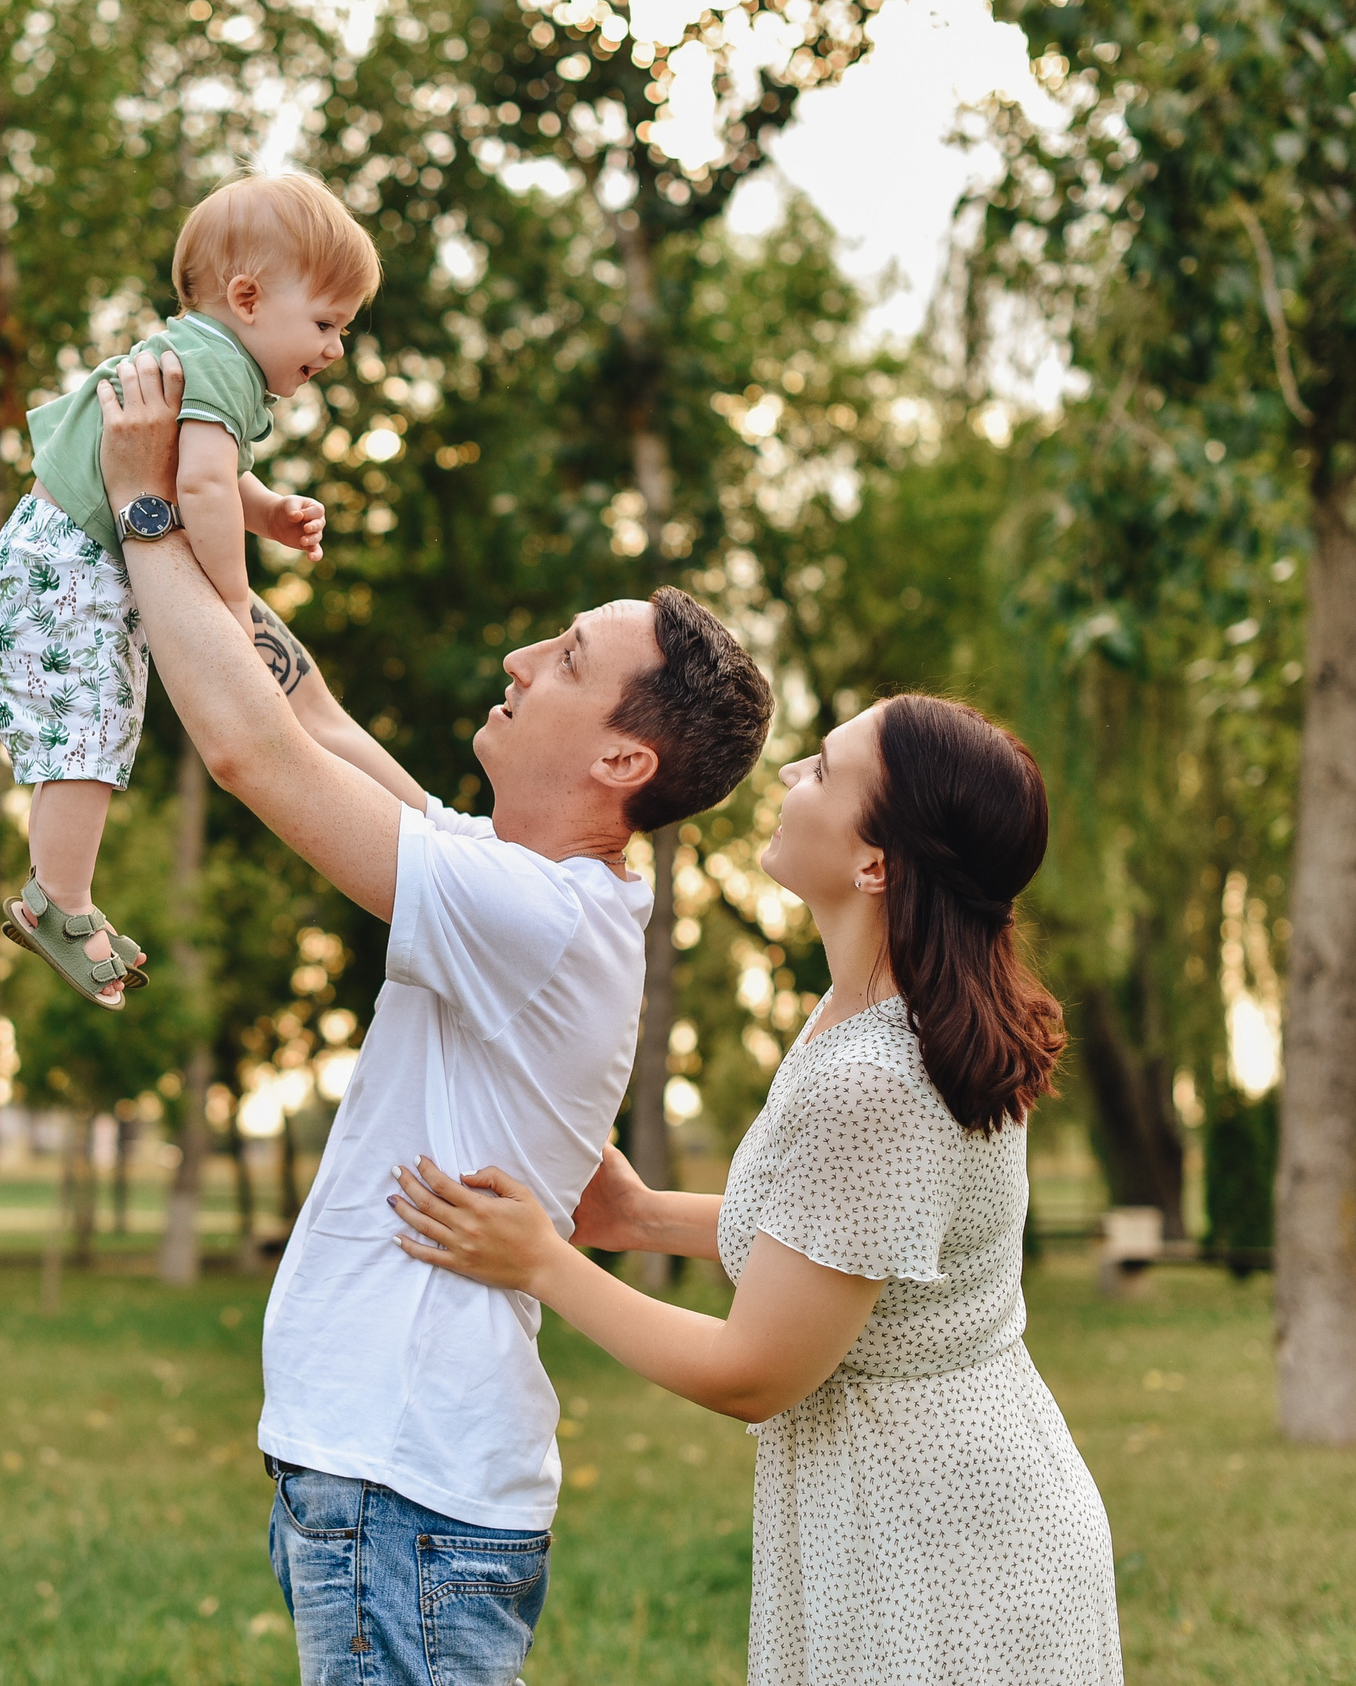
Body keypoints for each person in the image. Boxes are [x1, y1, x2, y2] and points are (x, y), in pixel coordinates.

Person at [93, 348, 775, 1686]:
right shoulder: (521, 886)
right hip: (386, 1480)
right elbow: (310, 708)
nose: (521, 656)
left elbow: (252, 755)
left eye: (567, 657)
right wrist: (206, 505)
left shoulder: (533, 914)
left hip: (402, 1486)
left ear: (621, 760)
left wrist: (142, 512)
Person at [388, 693, 1125, 1685]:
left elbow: (756, 1371)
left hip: (943, 1545)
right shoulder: (869, 1009)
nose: (785, 779)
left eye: (820, 771)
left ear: (876, 864)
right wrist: (638, 1216)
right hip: (924, 1500)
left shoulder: (877, 1080)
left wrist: (545, 1265)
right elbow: (833, 1243)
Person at [0, 171, 383, 1010]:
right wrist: (234, 605)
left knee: (99, 723)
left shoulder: (203, 359)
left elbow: (210, 474)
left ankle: (64, 891)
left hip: (53, 560)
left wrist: (266, 511)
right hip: (63, 569)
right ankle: (59, 899)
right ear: (247, 297)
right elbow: (196, 489)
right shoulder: (221, 370)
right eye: (324, 323)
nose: (335, 349)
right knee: (89, 731)